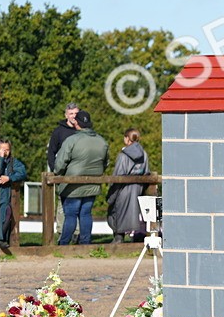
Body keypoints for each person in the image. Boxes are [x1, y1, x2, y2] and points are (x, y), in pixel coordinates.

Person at [54, 110, 109, 246]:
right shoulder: (101, 141)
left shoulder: (72, 140)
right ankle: (85, 243)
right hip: (92, 184)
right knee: (86, 214)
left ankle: (64, 244)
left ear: (76, 123)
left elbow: (60, 163)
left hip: (72, 184)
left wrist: (58, 173)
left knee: (71, 215)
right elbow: (106, 162)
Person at [106, 128, 150, 243]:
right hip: (138, 188)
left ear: (127, 138)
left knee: (116, 210)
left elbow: (118, 175)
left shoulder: (123, 155)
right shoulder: (144, 154)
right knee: (133, 212)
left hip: (123, 188)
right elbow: (146, 171)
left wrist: (111, 192)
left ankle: (118, 238)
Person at [47, 102, 79, 236]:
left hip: (80, 172)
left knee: (79, 203)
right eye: (71, 113)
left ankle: (77, 233)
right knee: (62, 202)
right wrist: (55, 170)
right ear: (66, 115)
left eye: (76, 114)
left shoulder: (84, 130)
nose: (73, 116)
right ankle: (61, 232)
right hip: (63, 173)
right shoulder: (59, 131)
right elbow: (51, 152)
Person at [0, 139, 27, 247]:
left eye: (7, 150)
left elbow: (22, 173)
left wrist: (10, 178)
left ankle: (1, 239)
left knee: (6, 214)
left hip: (5, 192)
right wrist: (0, 158)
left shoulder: (13, 162)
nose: (5, 152)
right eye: (2, 149)